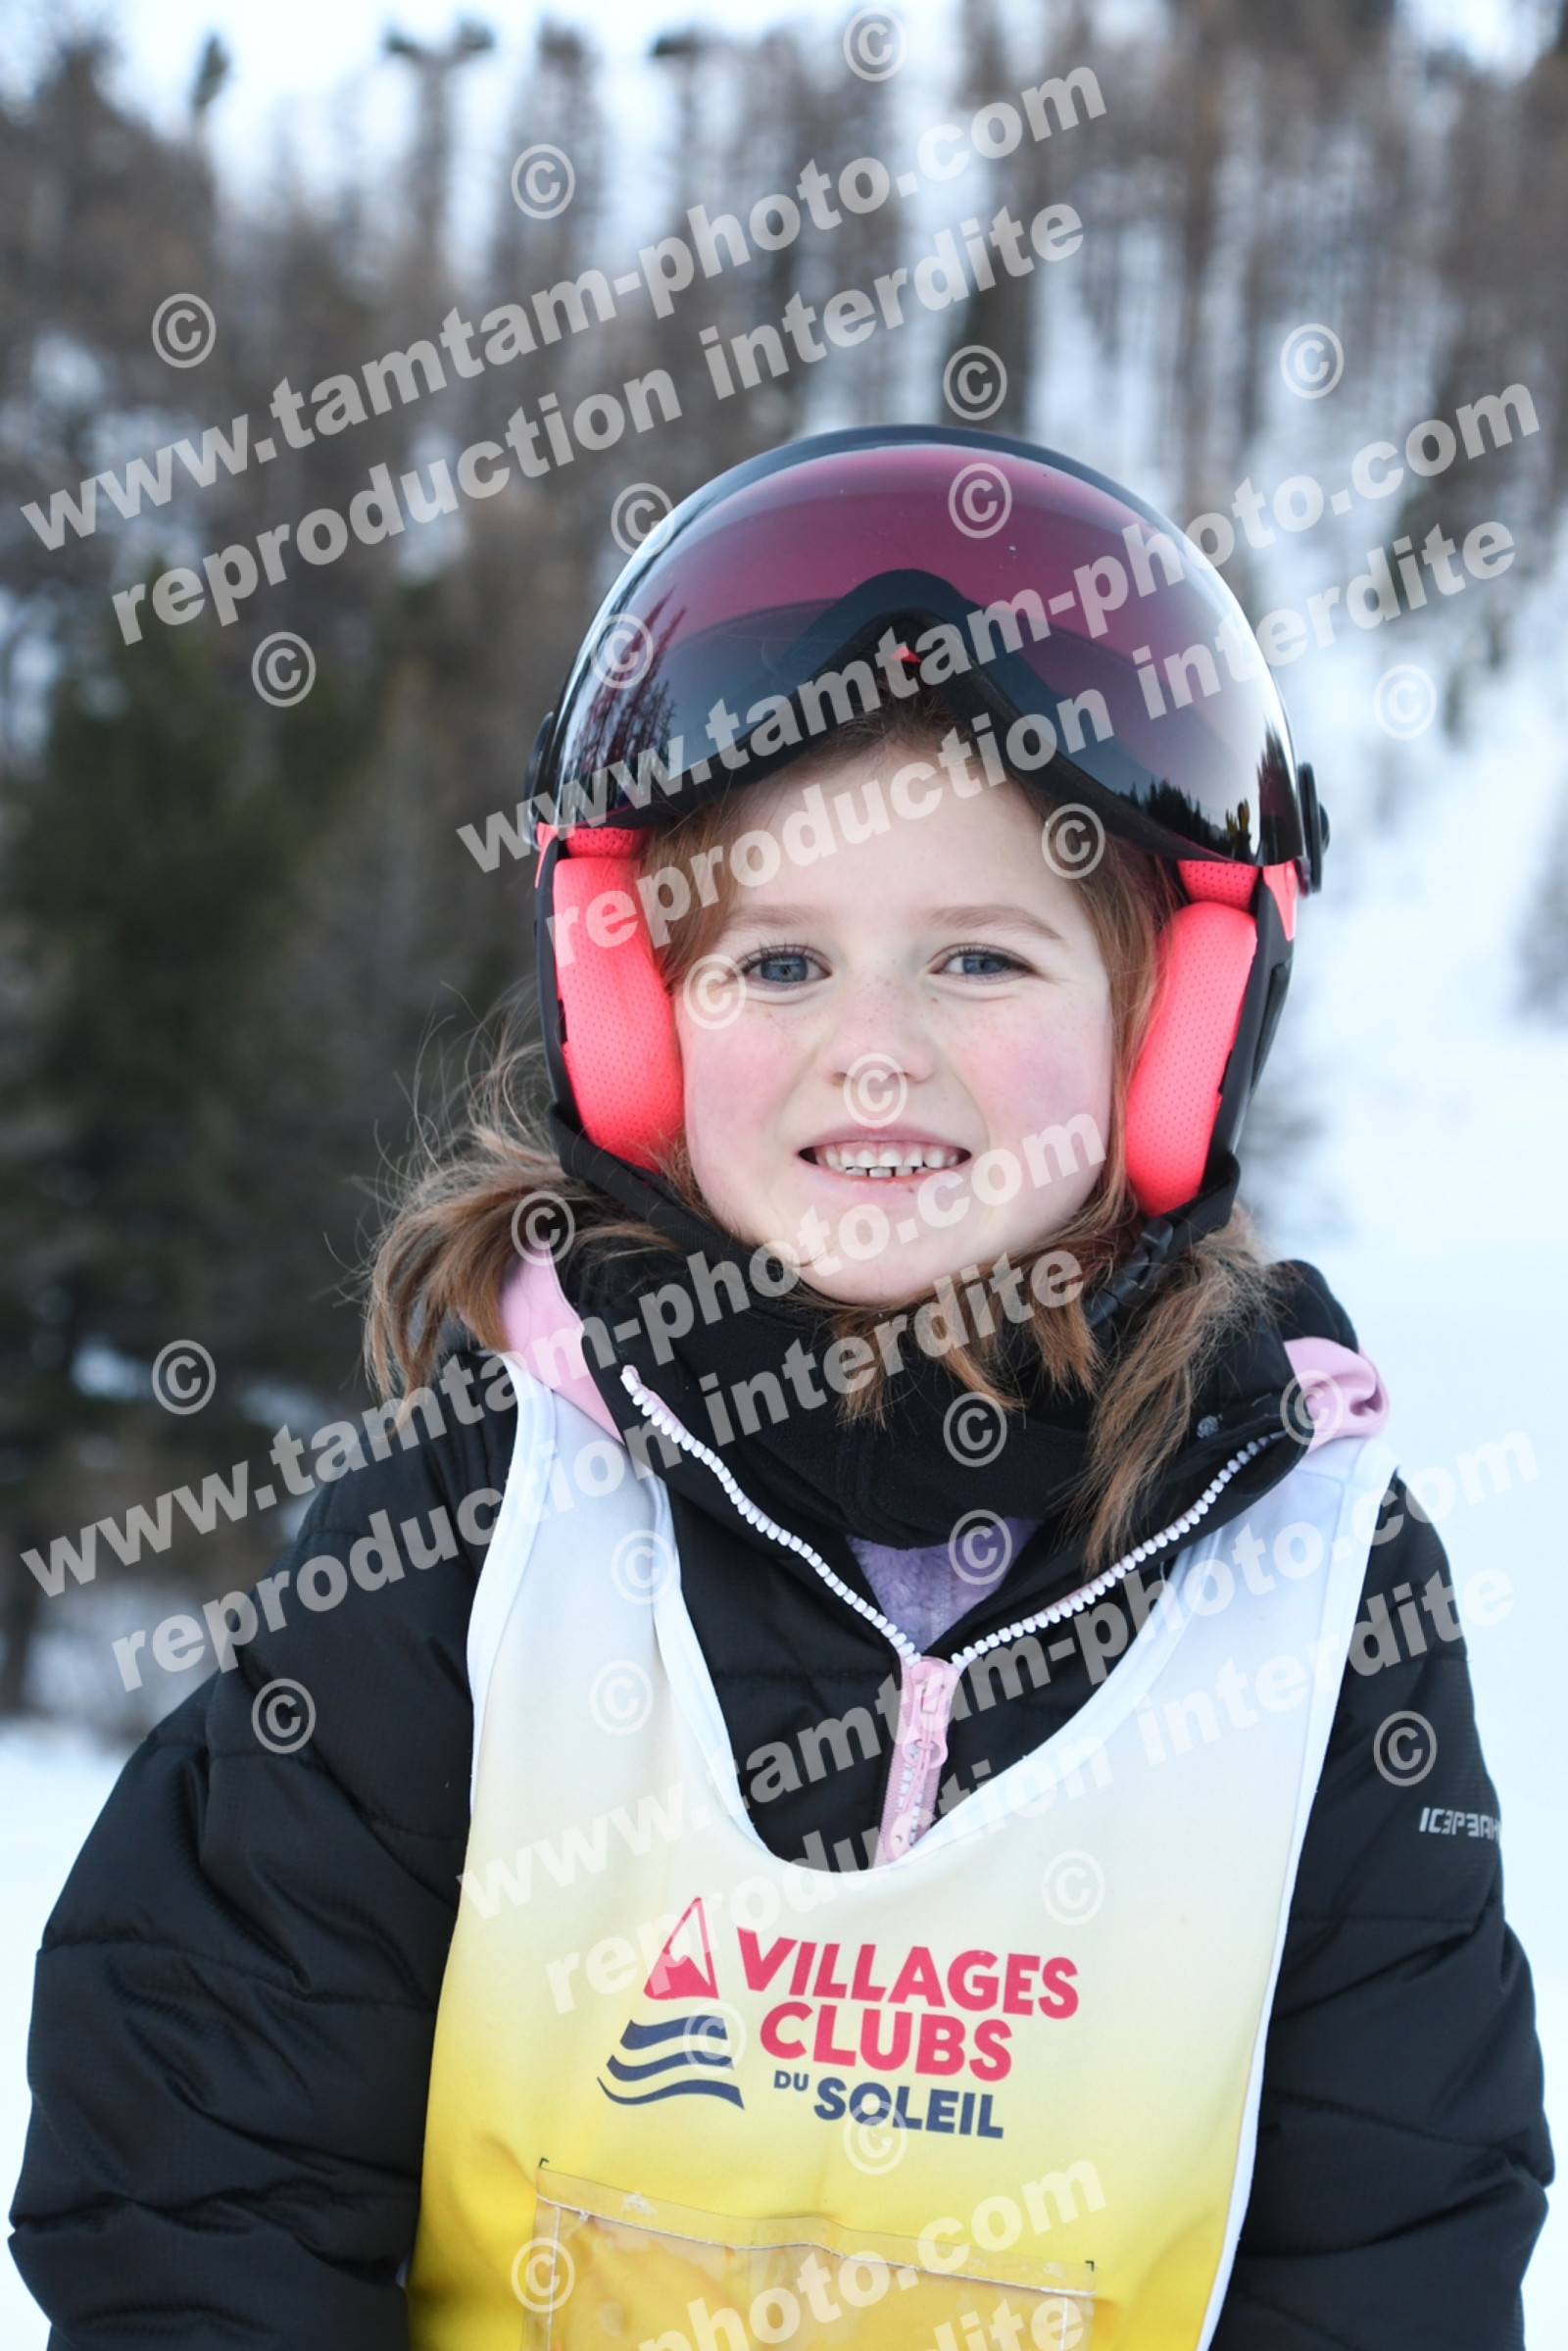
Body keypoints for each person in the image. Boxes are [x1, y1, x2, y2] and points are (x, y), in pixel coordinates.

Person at [10, 428, 1550, 2350]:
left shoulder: (1312, 1594)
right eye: (780, 964)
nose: (874, 1049)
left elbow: (1392, 2248)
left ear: (1171, 1026)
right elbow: (201, 2169)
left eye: (978, 958)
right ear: (639, 1019)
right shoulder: (480, 1525)